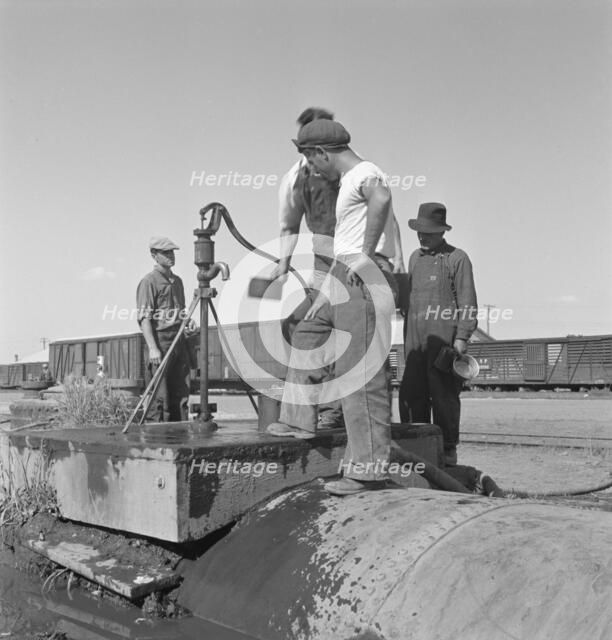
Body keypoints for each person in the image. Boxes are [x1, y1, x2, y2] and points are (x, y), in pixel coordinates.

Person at [267, 118, 398, 496]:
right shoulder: (348, 184)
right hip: (342, 275)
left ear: (322, 152)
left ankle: (369, 471)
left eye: (311, 159)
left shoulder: (364, 173)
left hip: (364, 275)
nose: (312, 168)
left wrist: (367, 254)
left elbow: (383, 199)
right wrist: (327, 289)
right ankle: (299, 420)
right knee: (308, 332)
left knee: (359, 371)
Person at [270, 106, 344, 429]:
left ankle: (334, 410)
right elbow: (289, 226)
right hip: (319, 265)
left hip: (350, 264)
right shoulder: (294, 178)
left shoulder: (351, 171)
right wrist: (283, 265)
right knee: (293, 326)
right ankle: (316, 407)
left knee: (334, 331)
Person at [398, 203, 478, 466]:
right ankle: (417, 450)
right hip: (415, 342)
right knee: (411, 395)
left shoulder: (457, 258)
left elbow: (467, 302)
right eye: (420, 231)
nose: (423, 236)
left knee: (444, 397)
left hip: (444, 342)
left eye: (429, 232)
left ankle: (447, 452)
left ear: (442, 231)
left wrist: (461, 339)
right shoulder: (413, 259)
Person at [136, 236, 191, 422]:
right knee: (159, 395)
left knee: (181, 392)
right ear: (154, 255)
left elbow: (181, 311)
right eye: (165, 253)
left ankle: (179, 435)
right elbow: (145, 318)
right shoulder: (149, 282)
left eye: (172, 252)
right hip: (160, 340)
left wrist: (187, 321)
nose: (171, 256)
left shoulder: (178, 282)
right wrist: (153, 348)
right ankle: (156, 441)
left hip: (179, 341)